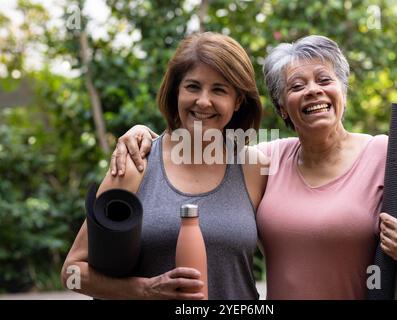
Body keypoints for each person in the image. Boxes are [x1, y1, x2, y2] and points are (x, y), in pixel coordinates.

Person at [110, 35, 397, 299]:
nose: (313, 91)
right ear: (283, 108)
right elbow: (192, 148)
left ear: (341, 91)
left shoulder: (387, 155)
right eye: (297, 86)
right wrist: (142, 135)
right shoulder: (264, 161)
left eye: (324, 79)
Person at [61, 32, 268, 300]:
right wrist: (146, 290)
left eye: (219, 89)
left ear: (238, 101)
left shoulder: (253, 168)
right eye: (193, 87)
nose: (203, 101)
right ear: (176, 92)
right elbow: (71, 273)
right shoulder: (136, 164)